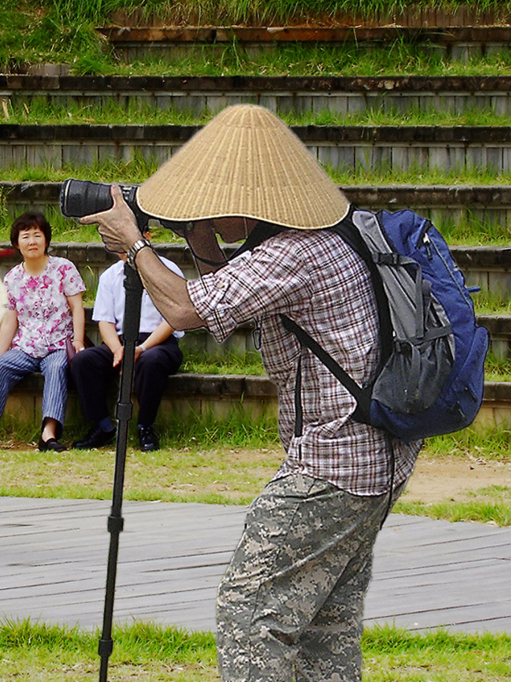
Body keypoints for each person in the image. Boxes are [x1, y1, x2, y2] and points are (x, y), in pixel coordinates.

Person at [80, 104, 421, 680]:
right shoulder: (334, 234)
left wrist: (135, 245)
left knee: (249, 610)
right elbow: (233, 294)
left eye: (218, 196)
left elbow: (188, 309)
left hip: (331, 465)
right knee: (322, 627)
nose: (210, 203)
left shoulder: (293, 253)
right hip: (381, 459)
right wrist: (199, 239)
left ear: (254, 202)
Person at [0, 212, 85, 452]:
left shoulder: (63, 268)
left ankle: (49, 434)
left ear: (46, 240)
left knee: (56, 368)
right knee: (0, 367)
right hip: (25, 347)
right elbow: (9, 321)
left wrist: (77, 340)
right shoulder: (13, 278)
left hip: (58, 344)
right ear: (17, 243)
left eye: (38, 235)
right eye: (25, 236)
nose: (32, 241)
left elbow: (77, 307)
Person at [70, 237, 185, 452]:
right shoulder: (110, 275)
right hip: (121, 341)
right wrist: (118, 351)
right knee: (83, 361)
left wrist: (140, 349)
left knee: (151, 362)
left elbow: (173, 319)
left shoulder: (169, 270)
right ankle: (102, 425)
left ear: (147, 237)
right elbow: (105, 321)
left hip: (158, 342)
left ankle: (145, 427)